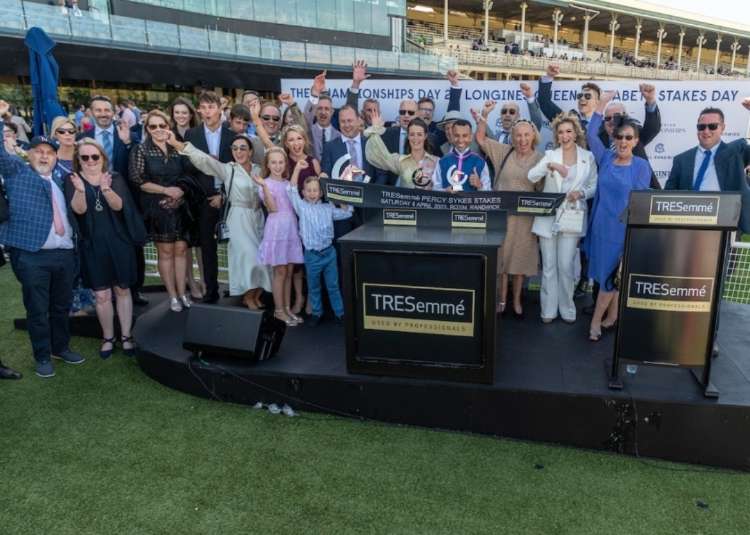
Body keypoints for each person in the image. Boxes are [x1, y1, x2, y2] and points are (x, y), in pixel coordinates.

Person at [1, 136, 86, 378]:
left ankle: (61, 348)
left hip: (65, 253)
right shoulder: (18, 173)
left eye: (49, 152)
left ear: (56, 157)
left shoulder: (62, 179)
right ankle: (42, 356)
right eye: (38, 151)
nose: (44, 156)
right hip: (32, 255)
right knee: (37, 309)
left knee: (61, 306)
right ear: (28, 155)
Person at [168, 131, 272, 310]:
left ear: (250, 151)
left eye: (243, 148)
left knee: (262, 258)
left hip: (258, 219)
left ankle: (255, 294)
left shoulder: (259, 170)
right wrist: (179, 145)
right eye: (235, 148)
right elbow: (203, 160)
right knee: (249, 257)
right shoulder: (228, 169)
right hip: (238, 218)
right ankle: (247, 296)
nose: (238, 152)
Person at [66, 139, 144, 358]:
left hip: (119, 242)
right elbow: (78, 211)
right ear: (78, 160)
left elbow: (120, 206)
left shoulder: (114, 177)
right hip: (92, 244)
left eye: (95, 156)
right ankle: (108, 337)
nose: (90, 161)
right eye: (85, 157)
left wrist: (106, 188)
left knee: (122, 290)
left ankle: (126, 336)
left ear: (102, 157)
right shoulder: (72, 180)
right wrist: (80, 191)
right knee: (101, 295)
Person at [584, 91, 652, 341]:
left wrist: (627, 234)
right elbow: (591, 134)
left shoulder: (641, 167)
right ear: (614, 138)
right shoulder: (605, 158)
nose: (623, 141)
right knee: (608, 276)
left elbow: (639, 202)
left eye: (628, 138)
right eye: (620, 136)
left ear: (636, 141)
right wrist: (601, 105)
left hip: (622, 232)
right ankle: (612, 316)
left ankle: (595, 321)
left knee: (610, 278)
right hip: (600, 228)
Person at [474, 103, 543, 318]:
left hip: (525, 220)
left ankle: (516, 300)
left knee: (520, 260)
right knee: (502, 261)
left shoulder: (541, 159)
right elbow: (480, 139)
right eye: (518, 135)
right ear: (512, 137)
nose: (522, 139)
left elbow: (544, 190)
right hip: (502, 217)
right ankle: (502, 299)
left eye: (526, 135)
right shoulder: (504, 152)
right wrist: (484, 116)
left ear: (533, 136)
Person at [528, 113, 598, 323]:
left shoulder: (588, 156)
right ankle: (548, 310)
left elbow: (593, 186)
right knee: (549, 266)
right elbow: (531, 176)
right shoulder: (550, 155)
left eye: (569, 131)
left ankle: (567, 308)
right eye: (560, 132)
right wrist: (548, 165)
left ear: (576, 134)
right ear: (556, 135)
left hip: (572, 216)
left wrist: (581, 193)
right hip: (548, 217)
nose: (565, 136)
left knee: (566, 266)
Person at [78, 95, 147, 306]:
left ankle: (134, 290)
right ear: (91, 112)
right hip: (93, 201)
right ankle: (105, 292)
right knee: (99, 244)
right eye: (98, 110)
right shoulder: (82, 138)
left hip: (124, 198)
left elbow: (138, 162)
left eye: (107, 110)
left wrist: (127, 142)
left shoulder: (129, 136)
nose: (103, 114)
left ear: (114, 112)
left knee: (132, 245)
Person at [130, 110, 195, 312]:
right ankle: (173, 296)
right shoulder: (141, 150)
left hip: (181, 205)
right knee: (166, 252)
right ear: (147, 129)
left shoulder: (177, 147)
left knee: (181, 250)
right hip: (156, 207)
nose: (158, 129)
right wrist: (166, 191)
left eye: (162, 125)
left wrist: (181, 191)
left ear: (169, 126)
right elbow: (138, 179)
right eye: (153, 126)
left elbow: (189, 172)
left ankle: (183, 293)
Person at [665, 101, 750, 233]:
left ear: (723, 128)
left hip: (725, 226)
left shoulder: (737, 152)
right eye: (701, 127)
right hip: (687, 226)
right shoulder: (681, 159)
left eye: (712, 126)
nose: (706, 131)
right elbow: (668, 195)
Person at [184, 91, 235, 303]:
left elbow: (237, 169)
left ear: (219, 109)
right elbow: (186, 165)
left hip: (230, 199)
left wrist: (223, 195)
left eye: (211, 107)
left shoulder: (232, 135)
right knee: (207, 248)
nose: (207, 112)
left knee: (236, 245)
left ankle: (239, 289)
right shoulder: (191, 134)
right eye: (203, 107)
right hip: (204, 200)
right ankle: (211, 291)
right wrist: (204, 161)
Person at [287, 172, 353, 327]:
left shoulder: (328, 208)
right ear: (303, 192)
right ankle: (317, 313)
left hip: (329, 253)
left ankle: (340, 313)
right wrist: (298, 168)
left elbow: (347, 213)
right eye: (308, 190)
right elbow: (291, 190)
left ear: (321, 192)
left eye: (315, 190)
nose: (312, 193)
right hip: (312, 255)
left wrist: (337, 197)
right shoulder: (301, 207)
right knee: (314, 287)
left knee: (333, 285)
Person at [252, 147, 304, 326]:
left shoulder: (288, 183)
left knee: (289, 271)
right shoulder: (264, 184)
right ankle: (279, 310)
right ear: (267, 164)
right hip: (276, 230)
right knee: (280, 271)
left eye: (281, 162)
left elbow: (293, 194)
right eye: (273, 162)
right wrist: (264, 187)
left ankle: (287, 308)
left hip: (291, 229)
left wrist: (298, 169)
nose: (277, 166)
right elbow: (273, 208)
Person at [51, 116, 96, 317]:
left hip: (88, 216)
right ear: (55, 134)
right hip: (62, 218)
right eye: (62, 131)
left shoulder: (85, 155)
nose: (68, 134)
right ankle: (73, 304)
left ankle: (91, 299)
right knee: (70, 262)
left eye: (71, 131)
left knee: (89, 257)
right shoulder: (51, 160)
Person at [282, 124, 322, 316]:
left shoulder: (313, 162)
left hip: (310, 219)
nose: (295, 143)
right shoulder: (283, 162)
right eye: (291, 139)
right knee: (296, 261)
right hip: (291, 216)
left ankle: (313, 299)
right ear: (286, 143)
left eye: (299, 138)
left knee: (311, 261)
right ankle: (299, 297)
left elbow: (320, 191)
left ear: (305, 140)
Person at [168, 96, 203, 299]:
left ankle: (205, 279)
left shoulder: (198, 134)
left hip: (199, 191)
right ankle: (191, 281)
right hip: (180, 193)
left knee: (202, 241)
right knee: (185, 243)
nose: (181, 116)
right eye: (177, 112)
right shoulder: (168, 135)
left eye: (184, 112)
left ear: (191, 114)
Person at [598, 83, 662, 189]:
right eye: (607, 118)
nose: (612, 121)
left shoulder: (634, 133)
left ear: (625, 117)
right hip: (610, 193)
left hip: (642, 191)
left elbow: (652, 128)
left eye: (616, 117)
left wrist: (650, 101)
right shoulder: (598, 139)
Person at [303, 62, 368, 161]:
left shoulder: (340, 134)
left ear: (332, 111)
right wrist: (315, 92)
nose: (323, 112)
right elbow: (307, 116)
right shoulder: (309, 131)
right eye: (320, 108)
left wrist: (356, 84)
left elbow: (350, 109)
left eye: (327, 109)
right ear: (315, 111)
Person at [364, 110, 439, 189]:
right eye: (412, 134)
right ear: (408, 136)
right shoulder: (401, 161)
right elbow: (380, 155)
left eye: (419, 134)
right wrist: (375, 128)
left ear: (425, 136)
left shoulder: (436, 162)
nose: (415, 138)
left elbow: (442, 188)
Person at [432, 118, 491, 192]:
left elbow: (488, 193)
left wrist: (479, 185)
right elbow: (434, 189)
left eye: (465, 136)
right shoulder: (442, 162)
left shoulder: (480, 162)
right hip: (448, 200)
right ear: (452, 136)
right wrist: (445, 191)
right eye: (457, 135)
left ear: (471, 137)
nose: (460, 140)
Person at [537, 64, 600, 129]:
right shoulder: (569, 119)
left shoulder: (604, 125)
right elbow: (544, 102)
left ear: (597, 102)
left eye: (587, 96)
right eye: (580, 96)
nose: (582, 98)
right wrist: (549, 76)